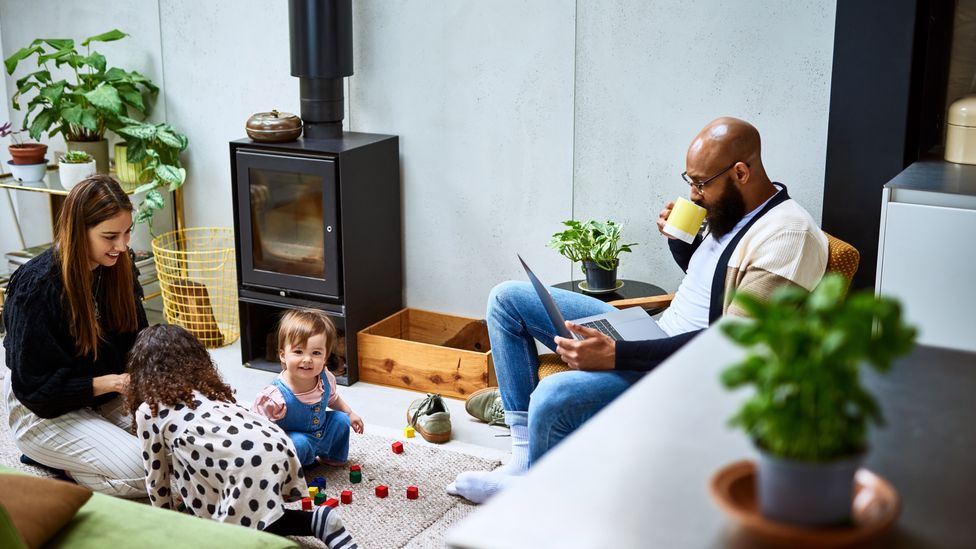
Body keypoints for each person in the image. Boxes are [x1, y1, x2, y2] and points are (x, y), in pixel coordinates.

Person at [449, 117, 829, 503]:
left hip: (688, 374)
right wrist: (680, 241)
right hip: (656, 335)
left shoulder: (788, 236)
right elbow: (707, 285)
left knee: (554, 392)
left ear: (741, 172)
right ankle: (523, 462)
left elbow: (730, 342)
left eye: (701, 184)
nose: (694, 195)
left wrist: (616, 354)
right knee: (507, 299)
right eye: (690, 182)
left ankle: (535, 498)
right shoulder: (733, 211)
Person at [126, 324, 359, 548]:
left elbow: (156, 478)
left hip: (246, 465)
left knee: (232, 534)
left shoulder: (148, 410)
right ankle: (318, 522)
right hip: (276, 445)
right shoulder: (210, 388)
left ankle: (310, 522)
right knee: (254, 511)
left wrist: (167, 526)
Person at [1, 175, 148, 498]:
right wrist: (112, 383)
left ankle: (83, 453)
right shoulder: (37, 287)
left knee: (178, 446)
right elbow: (35, 388)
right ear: (77, 231)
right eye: (110, 236)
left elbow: (136, 340)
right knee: (145, 471)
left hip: (106, 395)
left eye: (127, 232)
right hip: (43, 409)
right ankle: (55, 461)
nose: (122, 246)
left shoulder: (120, 266)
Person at [251, 308, 364, 468]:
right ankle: (294, 469)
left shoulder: (325, 378)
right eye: (298, 351)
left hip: (321, 433)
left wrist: (350, 413)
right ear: (283, 355)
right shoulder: (275, 395)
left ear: (325, 357)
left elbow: (333, 398)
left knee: (340, 419)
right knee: (300, 443)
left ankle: (331, 456)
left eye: (316, 353)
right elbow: (257, 426)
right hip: (293, 440)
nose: (307, 359)